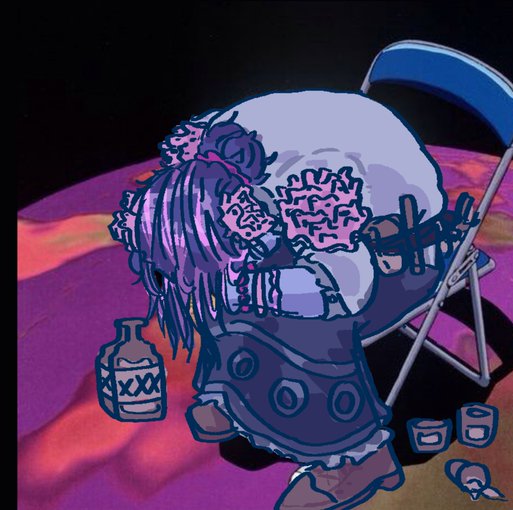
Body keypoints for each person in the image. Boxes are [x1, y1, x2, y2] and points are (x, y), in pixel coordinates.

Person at [109, 90, 461, 509]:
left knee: (309, 322)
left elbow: (346, 286)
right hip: (314, 227)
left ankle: (362, 459)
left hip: (399, 245)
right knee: (227, 289)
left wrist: (254, 287)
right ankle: (236, 397)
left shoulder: (314, 188)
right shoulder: (216, 159)